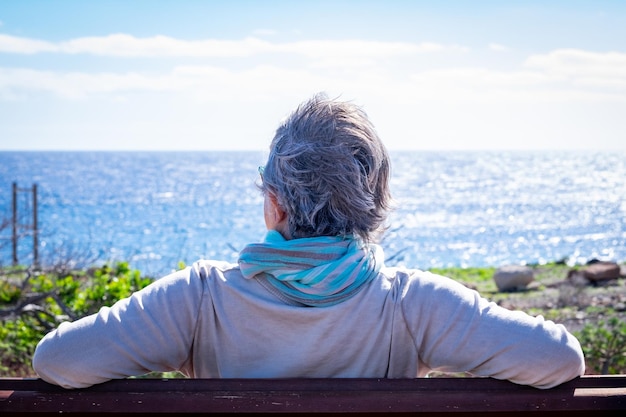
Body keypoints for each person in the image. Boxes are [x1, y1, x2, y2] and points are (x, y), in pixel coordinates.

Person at [33, 93, 585, 389]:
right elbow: (557, 360)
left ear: (274, 202)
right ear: (375, 202)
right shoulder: (411, 304)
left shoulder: (198, 300)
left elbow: (60, 361)